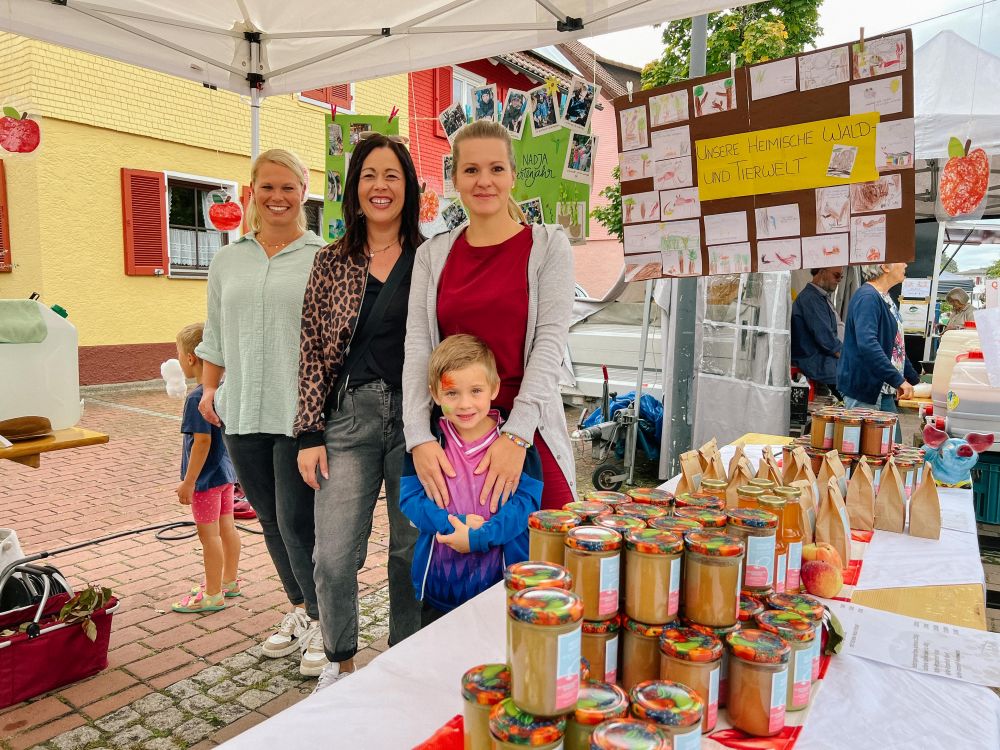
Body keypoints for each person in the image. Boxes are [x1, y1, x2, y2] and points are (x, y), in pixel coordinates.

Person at [295, 132, 424, 689]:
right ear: (354, 188)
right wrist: (308, 433)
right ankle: (341, 662)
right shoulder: (331, 261)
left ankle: (405, 659)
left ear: (408, 187)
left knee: (410, 550)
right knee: (333, 555)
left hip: (417, 422)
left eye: (392, 175)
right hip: (347, 418)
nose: (380, 186)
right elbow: (310, 347)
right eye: (369, 175)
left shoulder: (430, 258)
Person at [196, 148, 327, 676]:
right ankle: (300, 608)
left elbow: (332, 343)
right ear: (252, 192)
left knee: (298, 522)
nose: (277, 197)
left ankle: (323, 617)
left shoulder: (324, 257)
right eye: (267, 187)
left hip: (300, 415)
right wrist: (208, 390)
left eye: (288, 187)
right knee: (269, 520)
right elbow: (215, 333)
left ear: (303, 193)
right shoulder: (228, 260)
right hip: (242, 411)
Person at [404, 119, 576, 516]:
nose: (484, 181)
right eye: (471, 170)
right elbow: (418, 350)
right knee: (464, 546)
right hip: (458, 429)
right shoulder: (432, 255)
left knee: (553, 541)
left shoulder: (548, 247)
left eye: (496, 168)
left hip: (531, 428)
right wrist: (419, 437)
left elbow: (549, 345)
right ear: (455, 180)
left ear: (513, 175)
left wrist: (516, 436)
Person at [399, 334, 541, 626]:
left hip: (500, 588)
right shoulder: (427, 443)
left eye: (476, 391)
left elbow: (527, 505)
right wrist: (452, 525)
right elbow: (409, 498)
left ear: (494, 388)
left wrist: (480, 536)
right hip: (440, 587)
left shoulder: (516, 444)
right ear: (435, 394)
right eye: (452, 393)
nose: (465, 404)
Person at [171, 322, 240, 614]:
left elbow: (201, 442)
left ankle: (212, 594)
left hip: (206, 481)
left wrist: (189, 482)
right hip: (225, 475)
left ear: (190, 358)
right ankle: (228, 581)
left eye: (178, 354)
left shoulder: (196, 399)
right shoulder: (223, 391)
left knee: (209, 536)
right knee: (228, 528)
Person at [838, 263, 920, 440]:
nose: (905, 264)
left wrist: (913, 378)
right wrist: (898, 380)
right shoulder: (868, 297)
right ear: (885, 267)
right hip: (865, 389)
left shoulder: (885, 297)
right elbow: (868, 345)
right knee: (867, 450)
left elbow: (895, 347)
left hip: (883, 389)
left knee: (892, 446)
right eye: (901, 259)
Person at [791, 267, 845, 397]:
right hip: (817, 367)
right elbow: (826, 339)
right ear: (822, 272)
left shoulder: (819, 297)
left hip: (822, 366)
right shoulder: (811, 298)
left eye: (841, 277)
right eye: (836, 275)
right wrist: (849, 358)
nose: (839, 280)